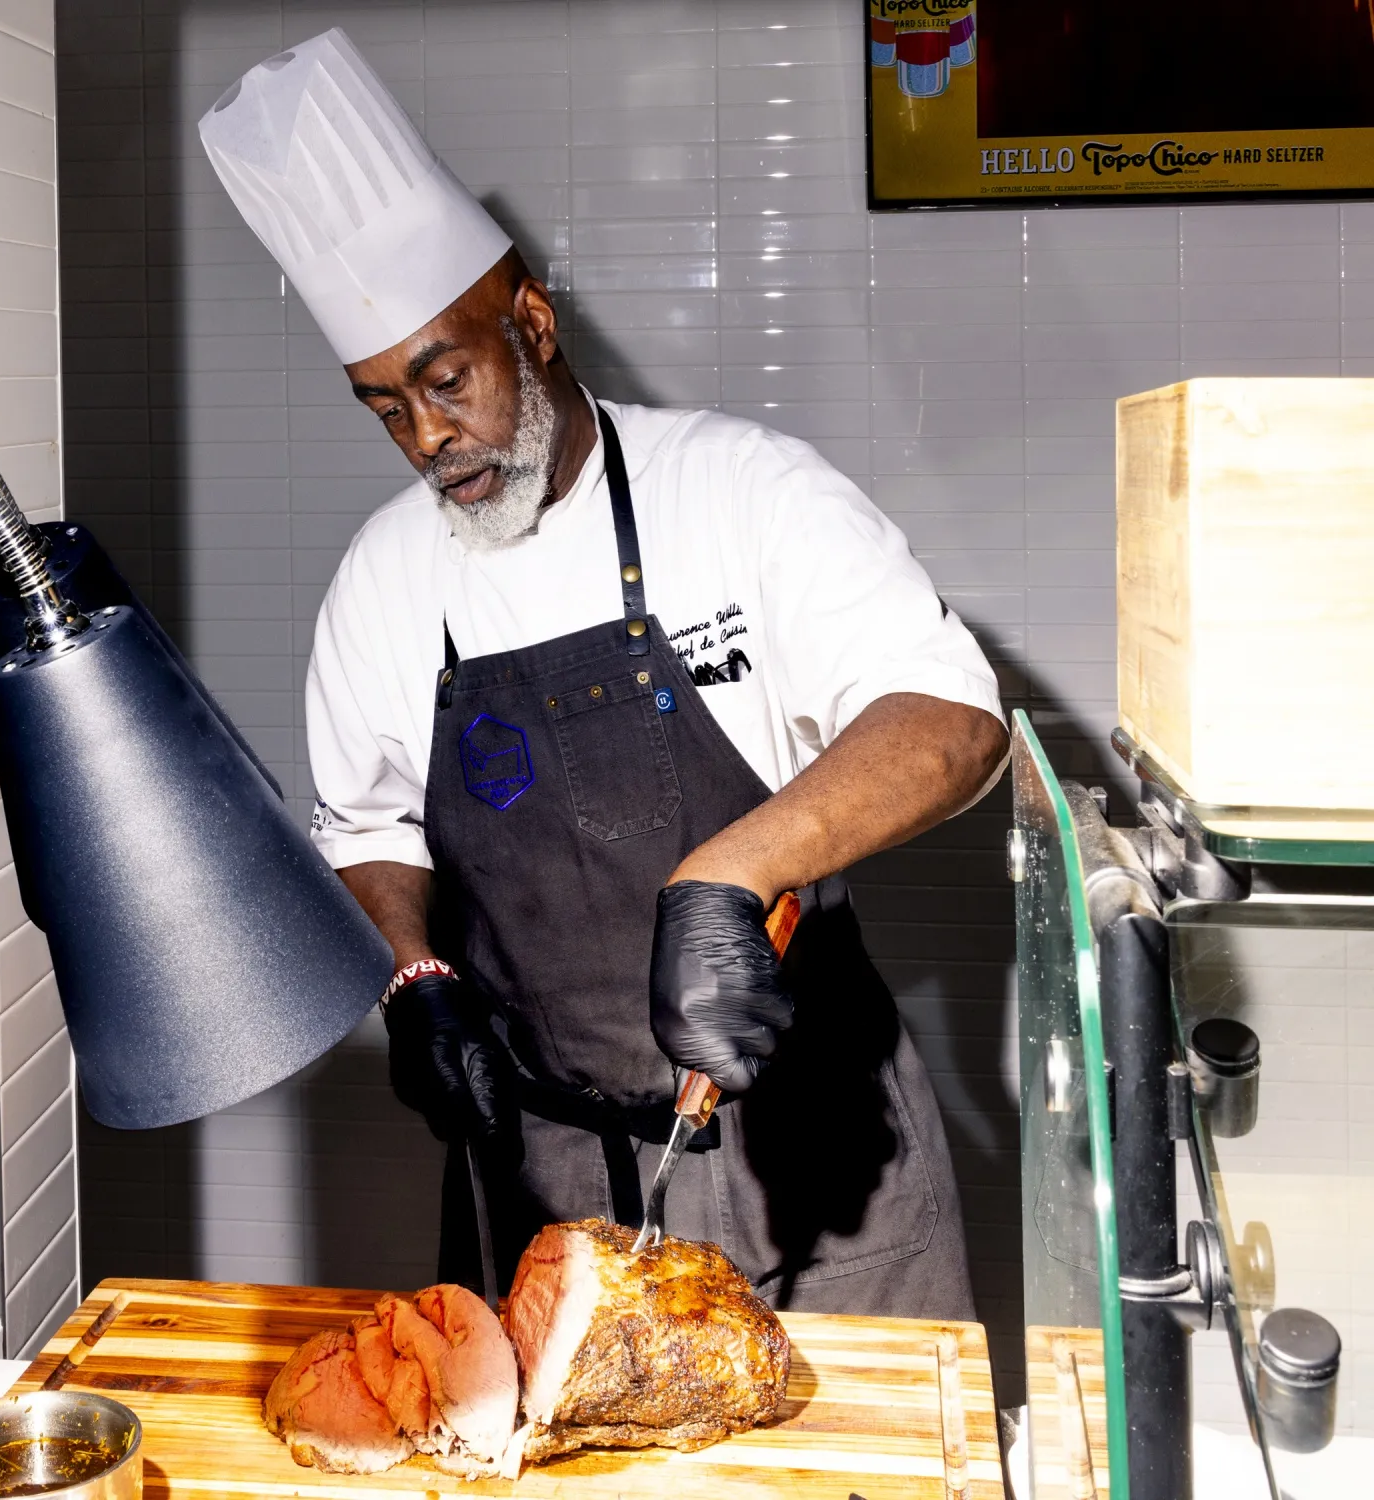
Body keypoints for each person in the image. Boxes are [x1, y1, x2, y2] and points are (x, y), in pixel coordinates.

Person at [199, 30, 1006, 1318]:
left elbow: (952, 721)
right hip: (543, 1179)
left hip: (811, 1151)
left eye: (444, 379)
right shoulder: (384, 576)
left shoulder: (742, 488)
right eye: (381, 405)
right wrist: (412, 977)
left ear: (530, 321)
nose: (426, 438)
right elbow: (367, 826)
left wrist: (730, 871)